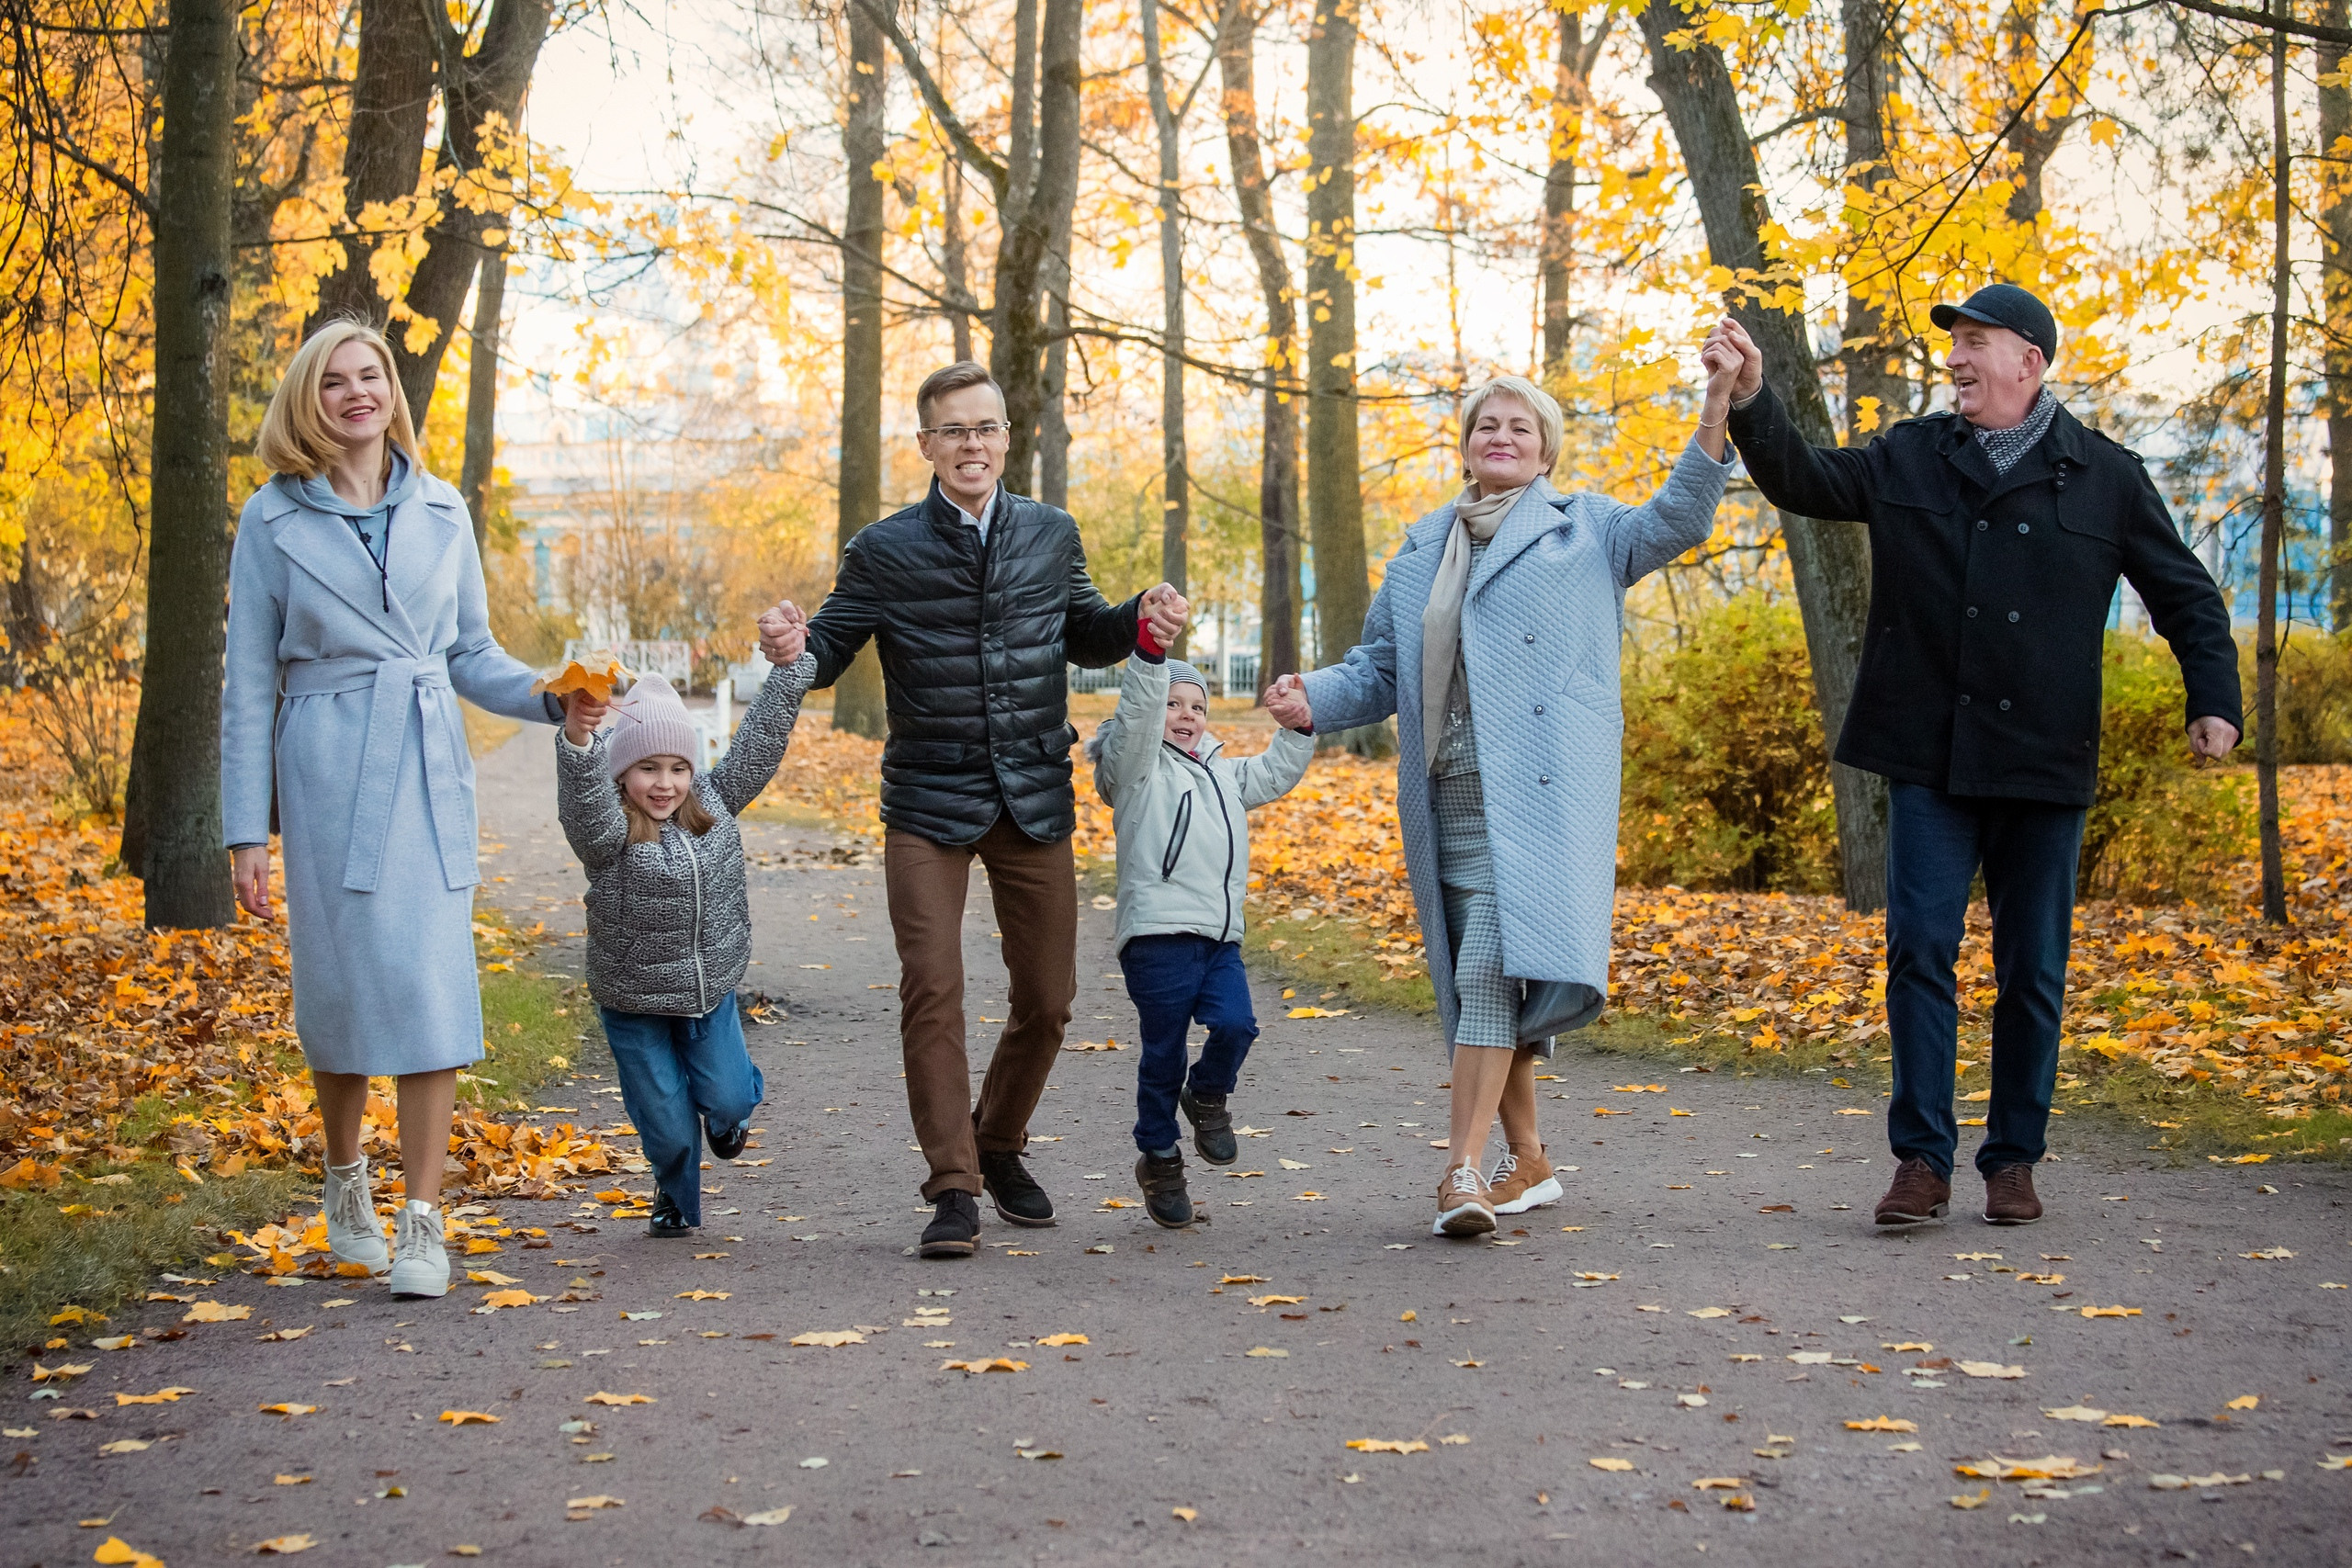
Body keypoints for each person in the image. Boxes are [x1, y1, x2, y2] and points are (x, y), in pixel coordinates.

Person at [1708, 286, 2241, 1228]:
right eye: (1952, 342)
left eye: (1974, 342)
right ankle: (1920, 1159)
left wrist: (2214, 702)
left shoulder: (2106, 475)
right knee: (1920, 949)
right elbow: (1803, 481)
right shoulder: (1910, 454)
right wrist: (1753, 398)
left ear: (2028, 362)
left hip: (2044, 761)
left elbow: (2185, 594)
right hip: (1930, 759)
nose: (1955, 356)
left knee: (2033, 967)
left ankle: (2012, 1162)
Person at [1264, 344, 1741, 1238]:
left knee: (1486, 968)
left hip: (1539, 796)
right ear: (1466, 444)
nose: (1502, 435)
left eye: (1521, 426)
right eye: (1487, 423)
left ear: (1546, 450)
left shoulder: (1588, 529)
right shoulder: (1418, 554)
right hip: (1444, 792)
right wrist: (1310, 699)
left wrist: (1715, 405)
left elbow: (1678, 518)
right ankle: (1528, 1158)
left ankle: (1460, 1174)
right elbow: (1377, 669)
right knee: (1472, 981)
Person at [757, 360, 1186, 1258]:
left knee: (1049, 998)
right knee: (933, 989)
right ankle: (952, 1186)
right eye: (953, 430)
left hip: (1032, 790)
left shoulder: (1049, 533)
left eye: (985, 428)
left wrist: (1139, 621)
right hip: (928, 797)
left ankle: (996, 1141)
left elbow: (1083, 633)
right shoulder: (884, 549)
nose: (971, 445)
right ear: (926, 445)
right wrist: (793, 649)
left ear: (1004, 439)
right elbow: (828, 654)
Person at [222, 320, 565, 1299]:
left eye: (370, 376)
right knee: (343, 990)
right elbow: (247, 682)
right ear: (308, 400)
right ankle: (344, 1182)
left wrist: (550, 696)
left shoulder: (444, 508)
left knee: (427, 985)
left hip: (422, 761)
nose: (355, 393)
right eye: (334, 382)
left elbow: (469, 655)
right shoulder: (271, 520)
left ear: (391, 393)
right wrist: (248, 829)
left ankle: (422, 1221)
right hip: (326, 766)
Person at [553, 640, 814, 1238]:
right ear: (622, 773)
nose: (664, 783)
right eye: (647, 768)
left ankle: (727, 1120)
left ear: (694, 769)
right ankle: (673, 1189)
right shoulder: (609, 832)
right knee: (668, 1125)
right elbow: (582, 805)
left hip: (706, 993)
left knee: (727, 1099)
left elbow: (760, 743)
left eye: (678, 767)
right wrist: (577, 741)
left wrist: (790, 669)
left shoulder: (716, 804)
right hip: (635, 1002)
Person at [1088, 609, 1317, 1227]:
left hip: (1219, 938)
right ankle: (1159, 1155)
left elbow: (1272, 772)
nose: (1188, 715)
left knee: (1238, 1025)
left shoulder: (1223, 771)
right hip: (1158, 937)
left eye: (1198, 706)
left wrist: (1298, 726)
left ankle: (1208, 1092)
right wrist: (1149, 659)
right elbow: (1135, 720)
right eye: (1174, 703)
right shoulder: (1135, 771)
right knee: (1162, 1052)